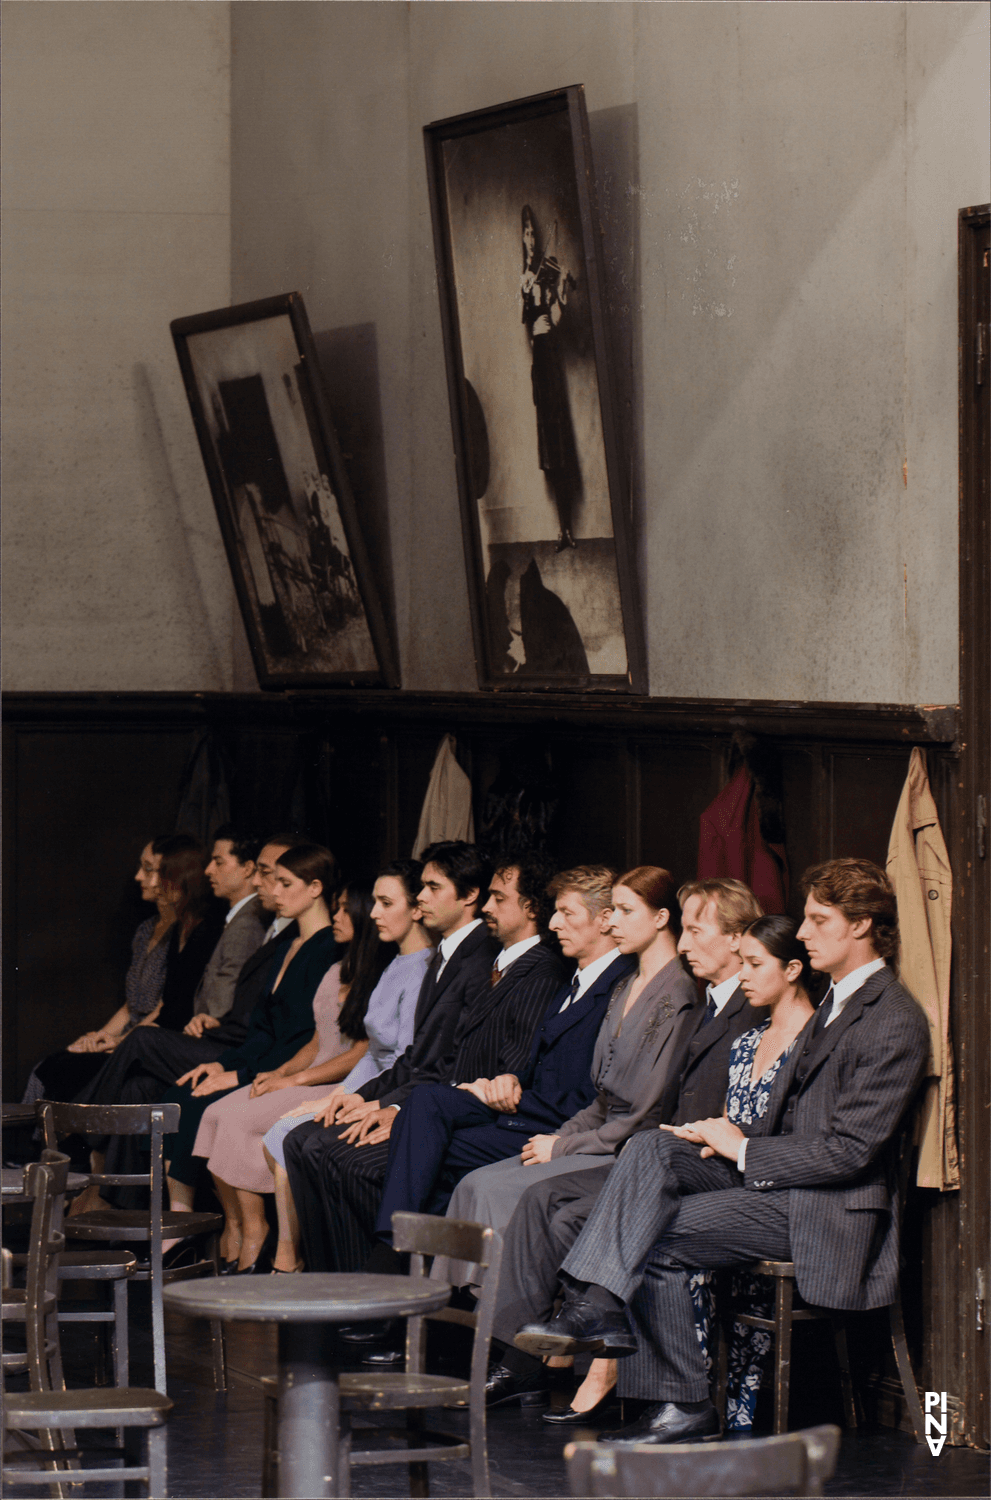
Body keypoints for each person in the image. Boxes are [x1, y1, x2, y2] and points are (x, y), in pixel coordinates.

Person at [512, 859, 929, 1447]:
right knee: (655, 1143)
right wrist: (717, 1133)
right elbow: (786, 1113)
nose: (803, 933)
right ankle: (599, 1303)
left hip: (825, 1209)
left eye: (817, 920)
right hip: (778, 1185)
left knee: (655, 1231)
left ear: (860, 926)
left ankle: (680, 1402)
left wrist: (745, 1149)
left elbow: (851, 1152)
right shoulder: (835, 1001)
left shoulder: (891, 1019)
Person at [481, 876, 764, 1411]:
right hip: (655, 1154)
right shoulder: (706, 1000)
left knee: (568, 1214)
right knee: (541, 1199)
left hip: (686, 1162)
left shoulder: (738, 1004)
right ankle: (523, 1358)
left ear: (735, 939)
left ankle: (592, 1356)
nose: (682, 945)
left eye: (695, 932)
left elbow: (672, 1109)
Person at [282, 840, 500, 1276]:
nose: (421, 898)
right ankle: (335, 1287)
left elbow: (454, 1065)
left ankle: (374, 1291)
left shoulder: (479, 961)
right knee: (300, 1141)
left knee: (339, 1156)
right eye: (420, 887)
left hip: (445, 1107)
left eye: (433, 887)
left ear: (470, 895)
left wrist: (390, 1106)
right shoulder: (445, 955)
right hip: (415, 1093)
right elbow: (415, 1057)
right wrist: (364, 1098)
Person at [363, 853, 569, 1264]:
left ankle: (391, 1250)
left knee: (422, 1110)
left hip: (497, 1108)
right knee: (419, 1138)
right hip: (467, 1103)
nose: (487, 908)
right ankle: (404, 1264)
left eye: (498, 899)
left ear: (530, 909)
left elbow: (514, 1064)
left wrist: (459, 1089)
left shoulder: (541, 969)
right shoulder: (497, 964)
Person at [193, 883, 386, 1272]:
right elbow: (318, 1041)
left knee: (237, 1119)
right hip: (312, 1073)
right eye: (337, 908)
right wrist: (279, 1073)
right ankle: (236, 1226)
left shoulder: (378, 974)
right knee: (215, 1112)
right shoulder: (336, 968)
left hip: (340, 1083)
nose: (336, 916)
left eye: (346, 910)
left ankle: (255, 1231)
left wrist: (294, 1082)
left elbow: (358, 1054)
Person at [160, 843, 339, 1247]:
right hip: (262, 1060)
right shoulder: (284, 946)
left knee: (204, 1105)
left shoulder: (328, 947)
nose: (272, 891)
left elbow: (303, 1036)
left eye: (284, 883)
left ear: (314, 888)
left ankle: (236, 1229)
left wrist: (242, 1076)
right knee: (183, 1092)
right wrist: (224, 1066)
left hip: (294, 1067)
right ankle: (183, 1222)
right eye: (272, 881)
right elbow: (260, 1027)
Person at [262, 859, 433, 1273]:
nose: (372, 912)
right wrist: (338, 1095)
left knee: (295, 1137)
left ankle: (298, 1260)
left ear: (415, 909)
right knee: (284, 1130)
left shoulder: (425, 968)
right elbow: (373, 1050)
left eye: (385, 902)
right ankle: (299, 1255)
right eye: (373, 901)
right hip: (367, 1082)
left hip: (388, 1092)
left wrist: (357, 1100)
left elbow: (404, 1059)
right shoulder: (394, 962)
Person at [23, 833, 215, 1104]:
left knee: (64, 1074)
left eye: (148, 869)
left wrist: (119, 1042)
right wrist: (100, 1035)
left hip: (149, 1039)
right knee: (48, 1067)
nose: (139, 877)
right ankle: (36, 1143)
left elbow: (166, 1007)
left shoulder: (187, 932)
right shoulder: (146, 929)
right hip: (128, 1036)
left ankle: (74, 1140)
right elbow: (130, 1005)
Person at [520, 203, 581, 552]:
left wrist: (561, 294)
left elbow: (552, 322)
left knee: (559, 443)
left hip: (551, 359)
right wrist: (525, 290)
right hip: (538, 367)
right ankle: (562, 529)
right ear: (521, 238)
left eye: (532, 232)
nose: (531, 238)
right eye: (525, 233)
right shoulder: (525, 278)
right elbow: (523, 322)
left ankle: (566, 530)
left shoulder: (546, 273)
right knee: (549, 443)